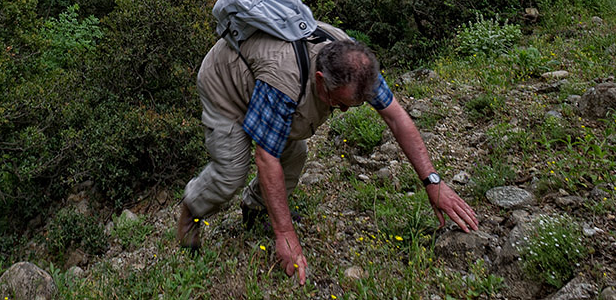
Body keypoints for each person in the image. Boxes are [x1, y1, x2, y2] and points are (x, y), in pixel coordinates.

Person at [176, 22, 479, 285]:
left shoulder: (354, 67)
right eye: (341, 103)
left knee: (295, 154)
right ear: (320, 80)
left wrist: (433, 181)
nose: (346, 110)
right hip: (226, 84)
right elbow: (265, 157)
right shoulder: (283, 81)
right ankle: (192, 210)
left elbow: (397, 118)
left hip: (266, 79)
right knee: (231, 173)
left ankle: (255, 212)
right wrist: (286, 234)